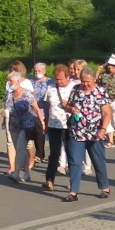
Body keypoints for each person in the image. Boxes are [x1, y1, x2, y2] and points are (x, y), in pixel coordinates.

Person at [64, 62, 113, 201]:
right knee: (75, 160)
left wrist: (103, 129)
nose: (85, 84)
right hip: (77, 131)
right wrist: (70, 109)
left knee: (98, 160)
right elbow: (68, 105)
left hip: (95, 132)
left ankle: (104, 187)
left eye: (88, 82)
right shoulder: (76, 89)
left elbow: (107, 112)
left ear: (94, 80)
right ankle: (74, 191)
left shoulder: (100, 91)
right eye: (83, 81)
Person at [39, 63, 75, 191]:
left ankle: (73, 181)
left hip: (68, 125)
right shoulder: (51, 87)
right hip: (53, 124)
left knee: (71, 153)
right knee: (54, 153)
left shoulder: (74, 87)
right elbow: (47, 106)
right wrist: (46, 122)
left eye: (61, 79)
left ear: (68, 77)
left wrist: (69, 104)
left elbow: (80, 105)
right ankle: (49, 180)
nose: (58, 82)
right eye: (56, 79)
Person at [6, 61, 38, 184]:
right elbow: (8, 107)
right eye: (9, 81)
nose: (9, 83)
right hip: (14, 124)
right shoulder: (10, 94)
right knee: (20, 149)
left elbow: (35, 107)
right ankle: (27, 173)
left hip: (26, 124)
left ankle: (16, 173)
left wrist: (41, 122)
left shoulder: (26, 92)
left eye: (11, 81)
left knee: (20, 147)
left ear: (18, 81)